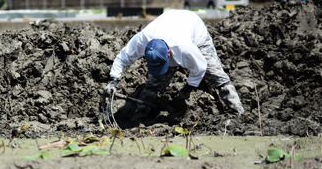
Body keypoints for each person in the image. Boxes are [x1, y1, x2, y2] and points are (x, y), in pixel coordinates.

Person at [102, 9, 244, 118]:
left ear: (169, 53)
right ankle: (139, 117)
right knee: (153, 83)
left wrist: (188, 87)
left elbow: (201, 67)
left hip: (195, 30)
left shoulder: (185, 47)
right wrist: (113, 81)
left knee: (216, 74)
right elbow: (122, 58)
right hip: (169, 22)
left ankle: (238, 112)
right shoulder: (142, 40)